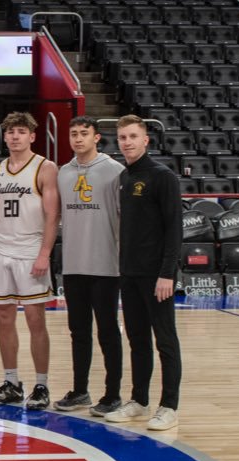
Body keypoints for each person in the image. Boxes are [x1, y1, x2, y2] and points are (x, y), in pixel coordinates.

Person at [0, 112, 60, 410]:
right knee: (3, 318)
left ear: (32, 136)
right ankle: (11, 382)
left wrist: (44, 254)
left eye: (21, 131)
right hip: (1, 250)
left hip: (30, 251)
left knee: (35, 319)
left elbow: (52, 215)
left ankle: (42, 385)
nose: (15, 136)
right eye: (11, 131)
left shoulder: (45, 168)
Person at [105, 114, 182, 431]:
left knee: (165, 340)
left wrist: (167, 274)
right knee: (137, 339)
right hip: (130, 273)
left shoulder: (163, 176)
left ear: (146, 140)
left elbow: (174, 229)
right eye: (122, 137)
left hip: (157, 276)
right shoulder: (124, 176)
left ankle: (169, 406)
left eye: (133, 136)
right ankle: (139, 400)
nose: (127, 142)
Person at [53, 116, 125, 416]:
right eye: (74, 133)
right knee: (78, 332)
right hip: (74, 265)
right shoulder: (63, 172)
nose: (78, 138)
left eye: (84, 133)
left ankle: (113, 394)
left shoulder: (114, 170)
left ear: (96, 137)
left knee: (108, 331)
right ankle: (80, 391)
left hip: (105, 265)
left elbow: (124, 218)